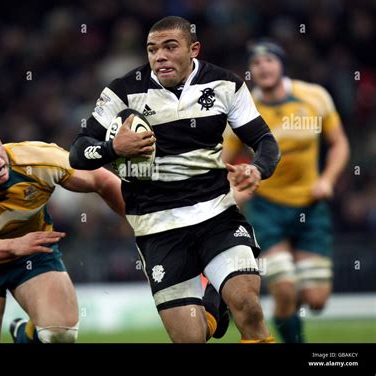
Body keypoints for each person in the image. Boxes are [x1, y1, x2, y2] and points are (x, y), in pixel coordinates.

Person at [69, 16, 280, 343]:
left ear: (193, 49)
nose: (160, 56)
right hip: (157, 226)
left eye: (170, 47)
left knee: (248, 305)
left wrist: (257, 168)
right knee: (191, 339)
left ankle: (221, 298)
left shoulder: (225, 85)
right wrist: (113, 148)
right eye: (152, 50)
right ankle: (213, 309)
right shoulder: (124, 91)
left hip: (216, 214)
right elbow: (78, 153)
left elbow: (265, 141)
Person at [0, 113, 124, 343]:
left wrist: (141, 222)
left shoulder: (37, 158)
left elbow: (102, 180)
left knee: (60, 335)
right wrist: (13, 246)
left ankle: (25, 337)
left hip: (34, 253)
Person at [223, 41, 350, 342]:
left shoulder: (314, 97)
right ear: (250, 72)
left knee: (316, 299)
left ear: (282, 65)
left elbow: (340, 143)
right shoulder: (243, 107)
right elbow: (222, 160)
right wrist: (236, 186)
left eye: (269, 60)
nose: (263, 66)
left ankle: (290, 312)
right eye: (256, 63)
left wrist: (328, 180)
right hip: (267, 206)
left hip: (311, 204)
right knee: (284, 288)